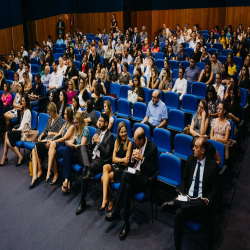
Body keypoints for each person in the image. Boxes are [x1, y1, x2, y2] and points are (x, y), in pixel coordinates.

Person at [161, 137, 219, 250]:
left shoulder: (212, 166)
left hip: (201, 205)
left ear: (202, 151)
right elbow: (184, 179)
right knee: (178, 214)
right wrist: (182, 193)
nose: (193, 148)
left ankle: (175, 203)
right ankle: (178, 247)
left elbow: (215, 190)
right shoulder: (190, 159)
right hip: (188, 199)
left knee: (201, 203)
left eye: (196, 147)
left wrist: (207, 200)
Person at [105, 127, 158, 240]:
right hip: (132, 177)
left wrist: (142, 159)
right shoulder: (135, 145)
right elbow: (129, 164)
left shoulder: (152, 148)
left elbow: (152, 170)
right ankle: (126, 224)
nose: (134, 142)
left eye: (136, 141)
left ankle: (116, 210)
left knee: (125, 175)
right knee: (128, 187)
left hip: (143, 179)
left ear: (142, 141)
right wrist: (133, 160)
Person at [75, 113, 114, 214]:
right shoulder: (97, 131)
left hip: (100, 161)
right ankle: (88, 169)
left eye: (101, 121)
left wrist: (98, 143)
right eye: (99, 120)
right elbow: (92, 148)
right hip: (91, 157)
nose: (99, 123)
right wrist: (92, 142)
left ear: (106, 123)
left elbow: (106, 154)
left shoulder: (110, 137)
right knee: (82, 147)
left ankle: (82, 202)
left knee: (84, 170)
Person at [29, 102, 63, 189]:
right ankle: (35, 176)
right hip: (46, 139)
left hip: (53, 140)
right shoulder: (49, 118)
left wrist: (52, 133)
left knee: (36, 147)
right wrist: (40, 136)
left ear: (54, 111)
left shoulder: (59, 119)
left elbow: (60, 134)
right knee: (34, 149)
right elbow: (45, 130)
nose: (49, 114)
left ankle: (39, 172)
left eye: (50, 112)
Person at [100, 121, 132, 211]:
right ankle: (105, 198)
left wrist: (119, 160)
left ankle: (110, 199)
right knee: (105, 167)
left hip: (122, 169)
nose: (124, 134)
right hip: (116, 165)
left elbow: (126, 162)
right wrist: (121, 160)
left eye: (125, 131)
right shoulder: (117, 141)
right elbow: (113, 159)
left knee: (103, 179)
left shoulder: (129, 143)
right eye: (121, 132)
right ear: (118, 132)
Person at [45, 107, 74, 184]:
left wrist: (52, 141)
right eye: (64, 114)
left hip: (67, 149)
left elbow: (64, 138)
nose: (64, 115)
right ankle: (50, 172)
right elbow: (58, 134)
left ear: (70, 115)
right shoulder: (65, 124)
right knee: (52, 147)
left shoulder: (72, 126)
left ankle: (54, 174)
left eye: (66, 114)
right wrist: (51, 140)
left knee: (53, 147)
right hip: (62, 146)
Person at [0, 95, 31, 167]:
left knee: (7, 133)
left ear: (26, 102)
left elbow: (24, 126)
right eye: (21, 101)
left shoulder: (28, 112)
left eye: (23, 101)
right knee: (7, 141)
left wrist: (16, 130)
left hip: (24, 133)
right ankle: (19, 156)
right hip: (20, 131)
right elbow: (21, 124)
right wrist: (16, 130)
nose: (22, 103)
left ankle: (4, 158)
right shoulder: (22, 111)